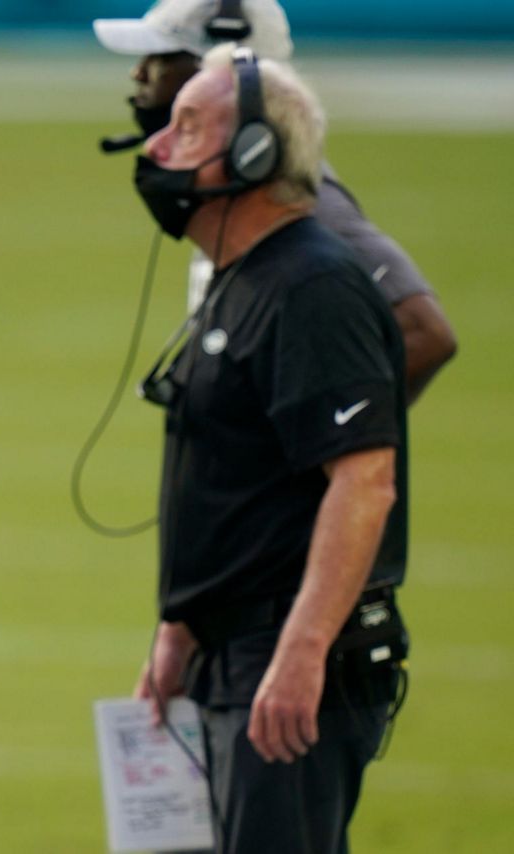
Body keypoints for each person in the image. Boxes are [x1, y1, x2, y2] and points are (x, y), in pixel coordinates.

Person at [130, 45, 409, 852]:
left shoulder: (312, 285)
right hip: (237, 652)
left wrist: (301, 654)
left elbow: (365, 481)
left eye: (188, 125)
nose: (156, 145)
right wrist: (182, 630)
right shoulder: (244, 276)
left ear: (256, 152)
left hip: (285, 660)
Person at [94, 0, 456, 402]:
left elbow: (427, 333)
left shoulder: (303, 207)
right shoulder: (237, 194)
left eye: (161, 58)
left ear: (224, 75)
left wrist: (320, 442)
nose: (138, 72)